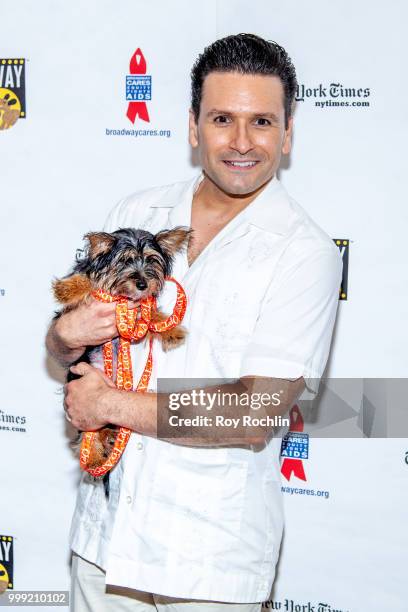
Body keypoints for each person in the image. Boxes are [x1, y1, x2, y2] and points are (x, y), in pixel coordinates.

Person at [46, 33, 342, 612]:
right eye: (221, 118)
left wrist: (109, 406)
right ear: (192, 126)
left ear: (288, 134)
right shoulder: (135, 215)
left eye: (261, 121)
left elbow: (257, 412)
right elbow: (69, 347)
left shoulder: (304, 251)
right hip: (103, 548)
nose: (240, 142)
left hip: (212, 564)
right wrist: (63, 337)